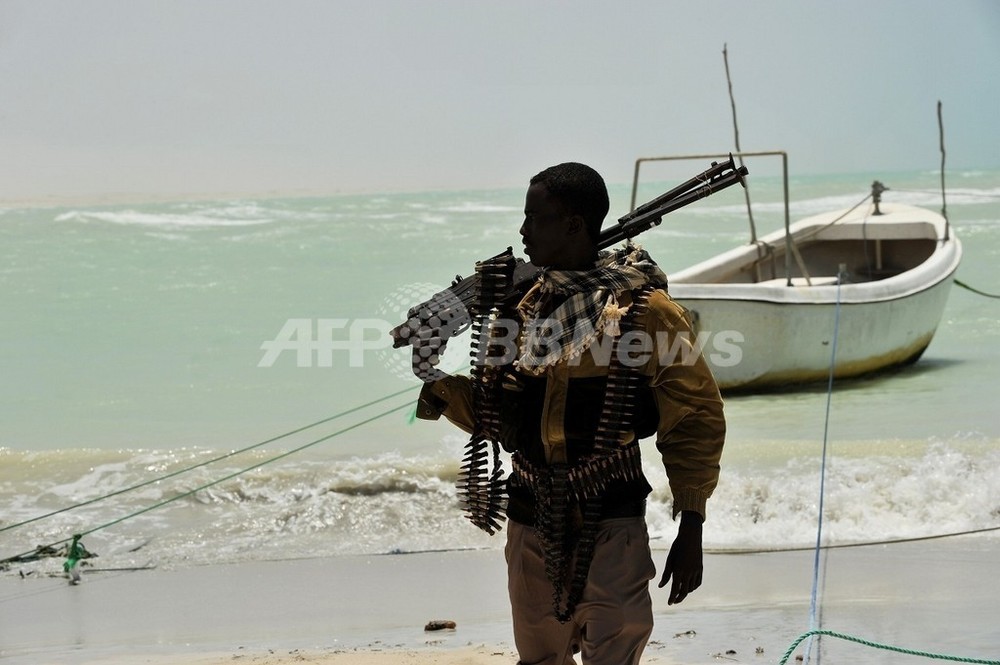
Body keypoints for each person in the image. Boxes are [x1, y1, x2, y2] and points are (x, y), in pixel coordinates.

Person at [411, 162, 725, 665]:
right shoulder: (518, 308)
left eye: (535, 218)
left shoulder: (644, 311)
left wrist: (693, 526)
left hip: (612, 517)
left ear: (575, 226)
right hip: (530, 514)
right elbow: (496, 415)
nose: (522, 231)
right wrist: (433, 378)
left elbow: (694, 418)